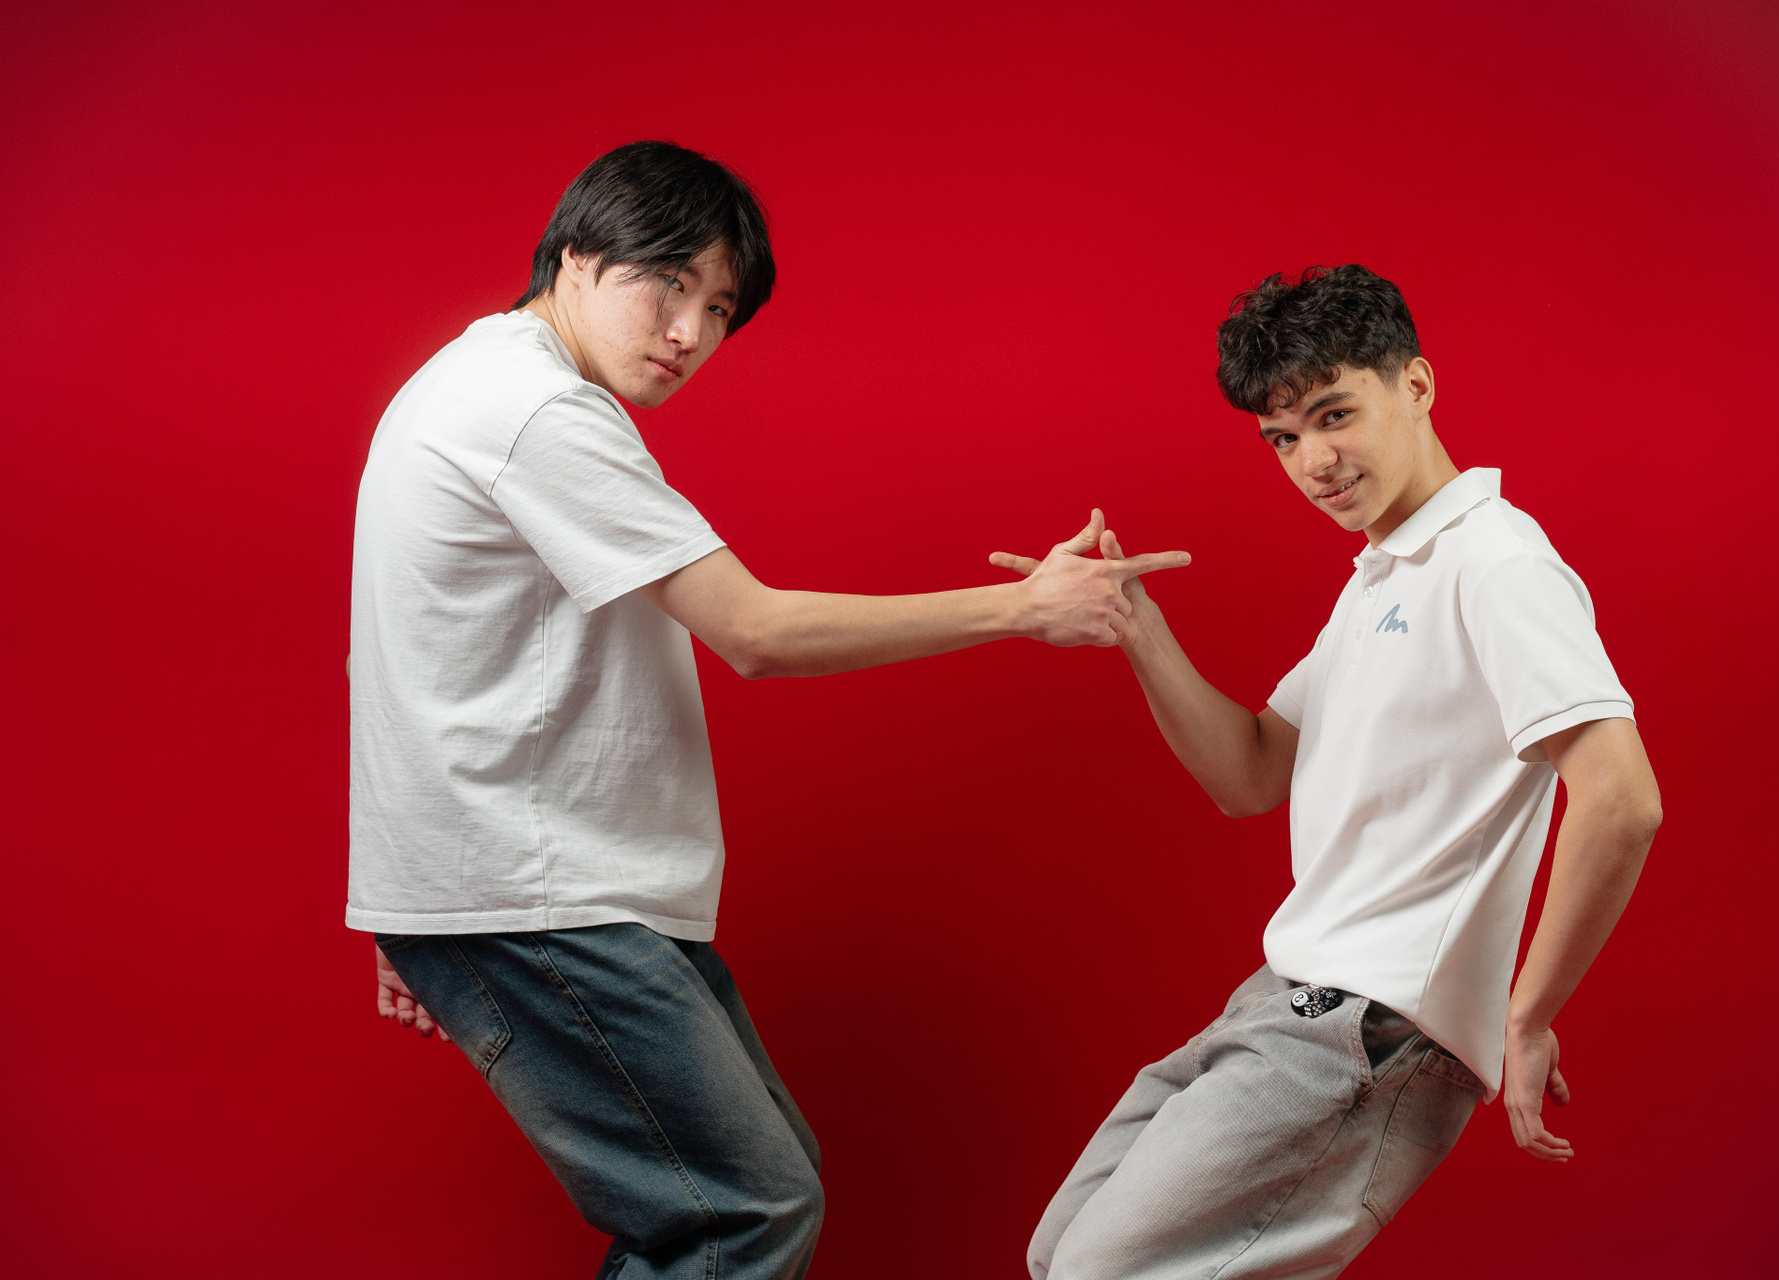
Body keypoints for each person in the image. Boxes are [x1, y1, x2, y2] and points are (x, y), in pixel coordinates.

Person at [348, 140, 1189, 1280]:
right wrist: (1023, 608)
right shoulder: (536, 411)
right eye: (668, 283)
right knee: (743, 1210)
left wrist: (412, 898)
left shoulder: (474, 381)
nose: (687, 332)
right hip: (538, 888)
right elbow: (755, 630)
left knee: (763, 1180)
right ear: (575, 254)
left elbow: (408, 644)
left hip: (529, 885)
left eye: (718, 308)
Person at [1006, 265, 1663, 1279]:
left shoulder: (1494, 562)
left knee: (1100, 1271)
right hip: (1284, 999)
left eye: (1334, 415)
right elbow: (1251, 772)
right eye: (1283, 437)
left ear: (1417, 385)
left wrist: (1527, 1013)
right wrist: (1137, 627)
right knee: (1058, 1252)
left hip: (1370, 1027)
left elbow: (1621, 797)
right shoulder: (1382, 576)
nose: (1314, 461)